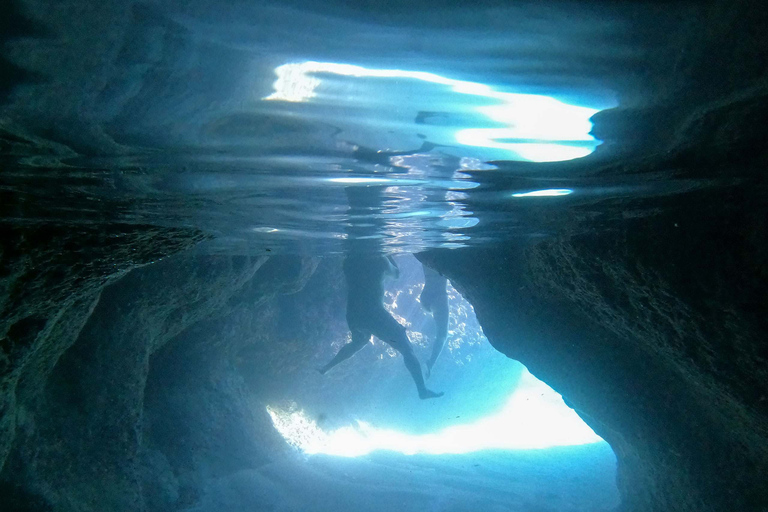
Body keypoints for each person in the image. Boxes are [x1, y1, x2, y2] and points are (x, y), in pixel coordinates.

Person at [319, 253, 444, 400]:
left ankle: (326, 368)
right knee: (406, 348)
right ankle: (422, 390)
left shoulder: (349, 260)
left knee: (359, 341)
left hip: (353, 313)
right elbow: (396, 274)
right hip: (374, 313)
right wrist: (389, 254)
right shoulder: (379, 259)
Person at [419, 265, 449, 378]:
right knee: (442, 335)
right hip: (439, 295)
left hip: (426, 295)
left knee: (441, 333)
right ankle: (430, 364)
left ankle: (429, 363)